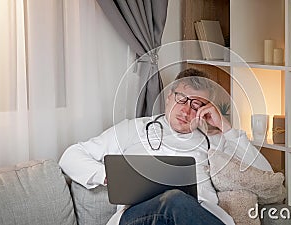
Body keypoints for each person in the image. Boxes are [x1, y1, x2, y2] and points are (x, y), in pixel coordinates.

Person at [59, 68, 272, 225]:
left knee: (180, 202)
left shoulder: (214, 141)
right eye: (182, 99)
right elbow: (70, 156)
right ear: (169, 97)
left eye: (196, 104)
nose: (186, 110)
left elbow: (266, 177)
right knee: (175, 198)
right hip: (139, 216)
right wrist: (107, 175)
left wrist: (225, 128)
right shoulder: (134, 129)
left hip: (197, 214)